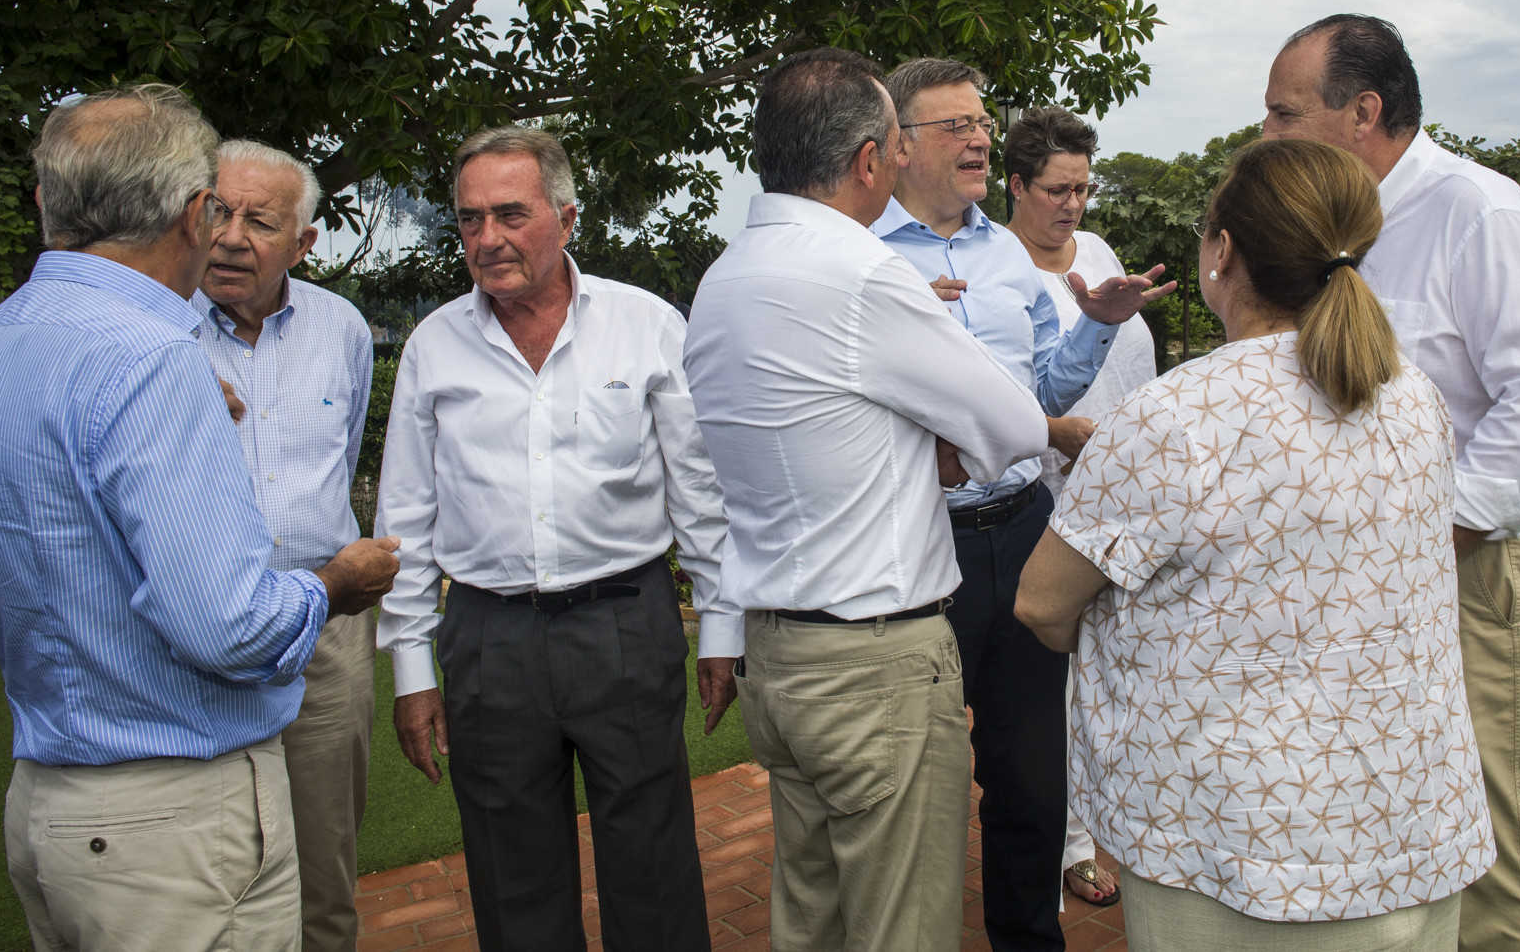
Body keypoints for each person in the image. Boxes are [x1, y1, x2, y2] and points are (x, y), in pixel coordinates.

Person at [1016, 138, 1494, 950]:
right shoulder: (1411, 395)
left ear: (1223, 252)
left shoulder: (1176, 417)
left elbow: (1042, 603)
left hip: (1239, 844)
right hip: (1410, 817)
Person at [0, 84, 399, 952]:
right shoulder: (154, 354)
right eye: (223, 211)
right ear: (194, 212)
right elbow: (231, 627)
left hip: (54, 796)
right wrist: (334, 581)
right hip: (171, 815)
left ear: (47, 196)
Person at [683, 48, 1051, 951]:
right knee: (901, 930)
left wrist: (903, 444)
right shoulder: (860, 274)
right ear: (864, 160)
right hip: (875, 663)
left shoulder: (720, 282)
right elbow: (1014, 424)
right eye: (892, 143)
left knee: (812, 918)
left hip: (782, 653)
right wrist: (938, 448)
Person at [1259, 15, 1520, 952]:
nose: (1267, 138)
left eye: (1284, 115)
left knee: (1492, 825)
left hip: (1481, 563)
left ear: (1362, 112)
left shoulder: (1476, 212)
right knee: (1414, 807)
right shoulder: (1343, 226)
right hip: (1394, 570)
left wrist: (1437, 527)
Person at [374, 126, 740, 952]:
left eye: (511, 213)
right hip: (487, 637)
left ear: (567, 218)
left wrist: (720, 626)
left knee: (653, 866)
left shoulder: (645, 325)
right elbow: (404, 517)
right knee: (513, 877)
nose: (488, 238)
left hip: (624, 622)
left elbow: (701, 492)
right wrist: (408, 667)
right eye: (470, 220)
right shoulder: (434, 345)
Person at [873, 58, 1174, 952]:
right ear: (895, 146)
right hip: (920, 544)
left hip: (1024, 527)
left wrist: (1099, 322)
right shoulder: (863, 260)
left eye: (980, 121)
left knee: (1033, 779)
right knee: (919, 783)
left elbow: (1044, 388)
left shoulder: (1004, 255)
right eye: (953, 125)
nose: (976, 136)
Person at [193, 139, 377, 952]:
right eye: (218, 211)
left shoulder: (341, 329)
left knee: (324, 864)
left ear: (303, 243)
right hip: (197, 629)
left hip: (326, 634)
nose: (231, 235)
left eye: (260, 221)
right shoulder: (156, 335)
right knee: (204, 864)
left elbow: (346, 453)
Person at [1000, 107, 1158, 909]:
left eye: (1084, 188)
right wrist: (1057, 435)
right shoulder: (998, 269)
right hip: (1045, 498)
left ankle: (1111, 825)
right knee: (1050, 683)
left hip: (1123, 489)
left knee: (1116, 669)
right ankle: (1066, 842)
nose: (1073, 204)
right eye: (1058, 189)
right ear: (1017, 185)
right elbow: (997, 395)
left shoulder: (1097, 253)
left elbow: (1130, 364)